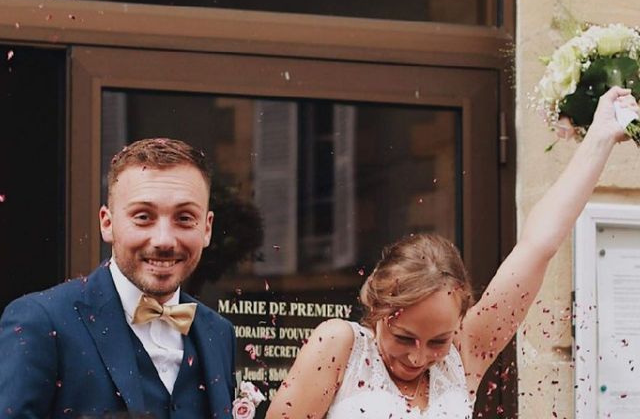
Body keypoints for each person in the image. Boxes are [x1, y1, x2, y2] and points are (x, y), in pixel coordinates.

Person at [266, 87, 638, 419]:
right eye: (404, 337)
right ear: (378, 308)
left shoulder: (466, 353)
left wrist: (600, 138)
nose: (418, 357)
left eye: (438, 341)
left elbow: (538, 247)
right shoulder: (340, 345)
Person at [0, 138, 236, 418]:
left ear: (207, 228)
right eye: (143, 217)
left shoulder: (219, 332)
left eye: (184, 218)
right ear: (107, 223)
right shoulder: (39, 320)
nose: (164, 240)